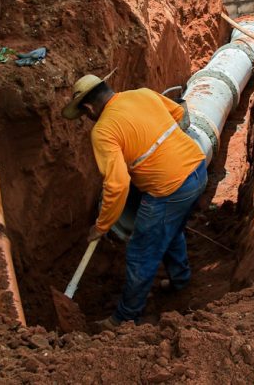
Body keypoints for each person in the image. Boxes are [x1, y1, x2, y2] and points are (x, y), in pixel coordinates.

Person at [62, 72, 207, 330]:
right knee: (171, 231)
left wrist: (103, 225)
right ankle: (180, 280)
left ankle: (124, 318)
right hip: (198, 170)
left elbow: (117, 185)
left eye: (85, 114)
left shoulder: (103, 130)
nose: (88, 119)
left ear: (88, 107)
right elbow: (178, 114)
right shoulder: (142, 94)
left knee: (141, 253)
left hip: (169, 189)